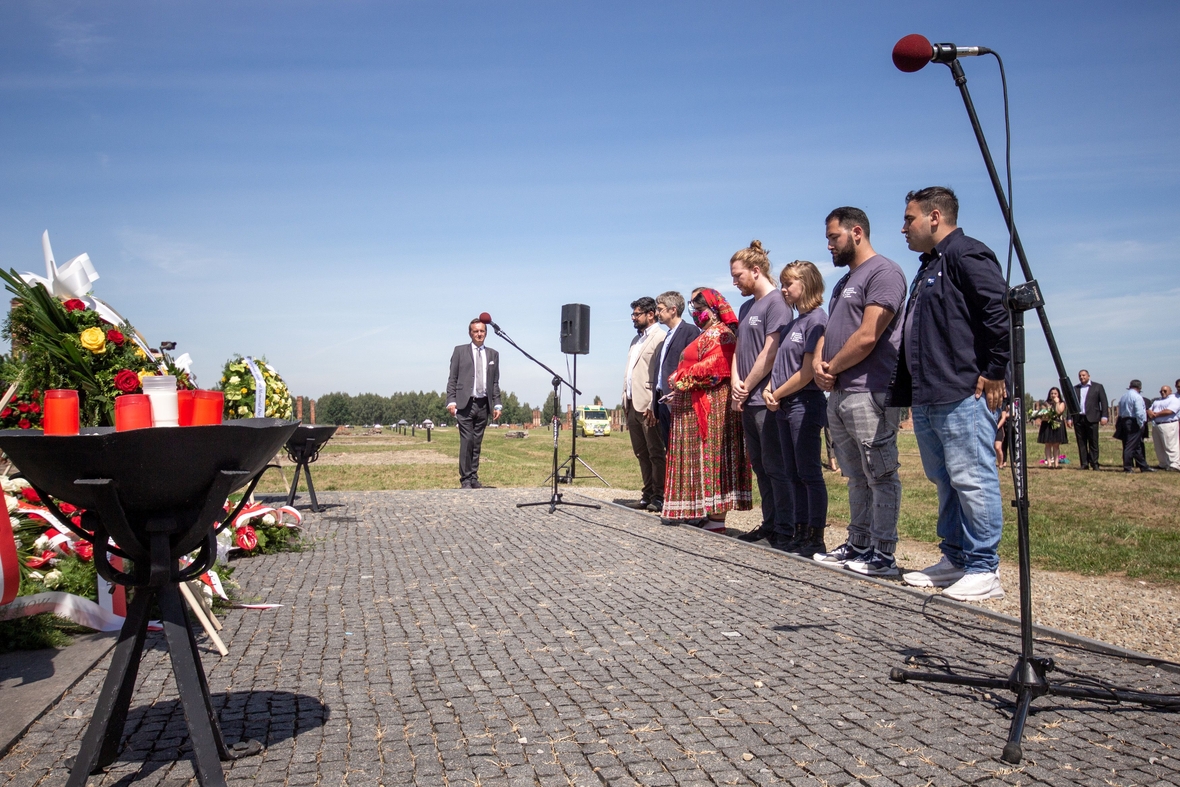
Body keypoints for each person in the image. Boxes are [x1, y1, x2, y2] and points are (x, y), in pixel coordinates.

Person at [890, 187, 1010, 601]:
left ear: (935, 216)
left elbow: (997, 311)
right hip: (929, 392)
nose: (903, 228)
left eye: (909, 219)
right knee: (946, 481)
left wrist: (995, 371)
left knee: (972, 479)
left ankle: (983, 568)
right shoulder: (928, 267)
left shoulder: (966, 254)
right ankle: (956, 558)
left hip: (962, 391)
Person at [812, 207, 907, 577]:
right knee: (855, 475)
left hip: (870, 390)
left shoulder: (884, 272)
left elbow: (868, 335)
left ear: (856, 232)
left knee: (880, 473)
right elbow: (830, 331)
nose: (830, 247)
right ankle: (859, 542)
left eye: (833, 238)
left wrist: (831, 368)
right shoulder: (842, 283)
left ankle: (883, 552)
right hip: (839, 392)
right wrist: (821, 364)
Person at [661, 288, 752, 530]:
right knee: (698, 460)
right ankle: (701, 510)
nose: (694, 314)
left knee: (713, 457)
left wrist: (679, 378)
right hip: (693, 405)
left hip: (714, 408)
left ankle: (717, 518)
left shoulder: (723, 335)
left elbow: (716, 368)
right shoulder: (706, 335)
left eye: (698, 309)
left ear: (712, 310)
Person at [729, 240, 793, 545]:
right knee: (760, 465)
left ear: (756, 271)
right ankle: (769, 523)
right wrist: (734, 381)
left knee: (774, 465)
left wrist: (746, 387)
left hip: (764, 399)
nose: (734, 282)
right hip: (745, 397)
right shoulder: (745, 306)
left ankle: (784, 527)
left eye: (738, 275)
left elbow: (771, 352)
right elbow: (740, 348)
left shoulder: (777, 303)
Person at [763, 261, 829, 557]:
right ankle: (799, 531)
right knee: (791, 472)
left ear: (807, 284)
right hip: (784, 404)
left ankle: (814, 535)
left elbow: (806, 372)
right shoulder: (793, 323)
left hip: (805, 403)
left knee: (808, 472)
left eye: (789, 283)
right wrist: (769, 389)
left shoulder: (817, 320)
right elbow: (781, 363)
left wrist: (775, 392)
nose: (784, 289)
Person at [446, 318, 502, 489]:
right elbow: (452, 378)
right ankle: (465, 479)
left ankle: (474, 477)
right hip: (465, 403)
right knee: (467, 440)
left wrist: (497, 404)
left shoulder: (493, 354)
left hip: (483, 404)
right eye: (476, 331)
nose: (479, 334)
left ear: (486, 333)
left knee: (477, 442)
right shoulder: (459, 351)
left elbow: (495, 382)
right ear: (470, 333)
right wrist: (451, 401)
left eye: (482, 331)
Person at [622, 297, 666, 511]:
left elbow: (658, 374)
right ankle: (647, 493)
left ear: (651, 314)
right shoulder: (635, 340)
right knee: (641, 452)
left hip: (648, 403)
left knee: (656, 451)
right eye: (633, 314)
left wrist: (653, 403)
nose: (633, 318)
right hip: (631, 403)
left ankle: (660, 495)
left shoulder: (660, 337)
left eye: (637, 314)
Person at [652, 291, 700, 449]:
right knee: (669, 450)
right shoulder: (667, 336)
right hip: (663, 401)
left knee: (681, 449)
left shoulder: (689, 331)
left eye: (660, 309)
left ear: (673, 310)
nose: (657, 313)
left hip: (678, 400)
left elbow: (691, 365)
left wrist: (679, 391)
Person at [1067, 370, 1109, 470]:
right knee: (1081, 442)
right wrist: (1069, 418)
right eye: (1080, 376)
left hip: (1092, 418)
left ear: (1088, 376)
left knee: (1093, 441)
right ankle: (1084, 463)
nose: (1082, 377)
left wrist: (1104, 416)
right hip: (1079, 418)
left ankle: (1094, 463)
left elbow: (1104, 402)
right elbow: (1070, 403)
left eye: (1084, 375)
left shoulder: (1097, 387)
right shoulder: (1075, 388)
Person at [1115, 380, 1153, 473]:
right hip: (1133, 422)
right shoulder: (1137, 397)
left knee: (1137, 445)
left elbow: (1120, 410)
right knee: (1131, 445)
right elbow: (1139, 412)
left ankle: (1143, 466)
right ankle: (1127, 467)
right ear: (1139, 388)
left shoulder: (1124, 396)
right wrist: (1141, 424)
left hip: (1124, 420)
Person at [1147, 384, 1180, 471]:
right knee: (1159, 446)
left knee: (1170, 445)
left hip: (1169, 424)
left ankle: (1175, 464)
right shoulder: (1157, 401)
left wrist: (1156, 414)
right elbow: (1150, 409)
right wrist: (1150, 412)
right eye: (1161, 391)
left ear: (1170, 391)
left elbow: (1169, 411)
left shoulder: (1175, 399)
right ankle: (1163, 463)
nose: (1162, 392)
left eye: (1165, 391)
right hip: (1157, 424)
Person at [1036, 387, 1068, 469]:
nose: (1053, 395)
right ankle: (1049, 463)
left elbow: (1059, 412)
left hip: (1057, 424)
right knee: (1048, 444)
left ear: (1058, 395)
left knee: (1056, 445)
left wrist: (1056, 403)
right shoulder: (1045, 403)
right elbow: (1043, 415)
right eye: (1052, 393)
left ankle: (1056, 464)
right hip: (1047, 425)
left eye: (1055, 393)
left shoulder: (1062, 403)